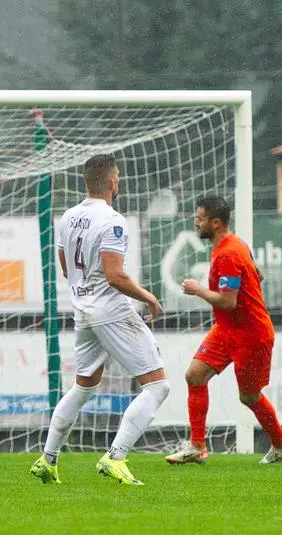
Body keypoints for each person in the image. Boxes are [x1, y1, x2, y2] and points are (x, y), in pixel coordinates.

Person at [30, 154, 171, 486]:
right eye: (118, 176)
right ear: (112, 182)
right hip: (111, 312)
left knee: (83, 387)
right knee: (157, 386)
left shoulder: (68, 217)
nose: (118, 181)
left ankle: (47, 459)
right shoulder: (113, 221)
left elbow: (66, 268)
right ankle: (116, 457)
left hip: (82, 310)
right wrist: (148, 297)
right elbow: (114, 276)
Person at [165, 196, 282, 465]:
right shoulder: (234, 245)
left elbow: (228, 301)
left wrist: (197, 290)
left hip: (251, 334)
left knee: (248, 396)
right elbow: (257, 274)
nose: (195, 221)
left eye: (199, 218)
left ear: (215, 223)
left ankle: (281, 442)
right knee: (195, 375)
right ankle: (197, 446)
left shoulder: (227, 253)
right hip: (227, 329)